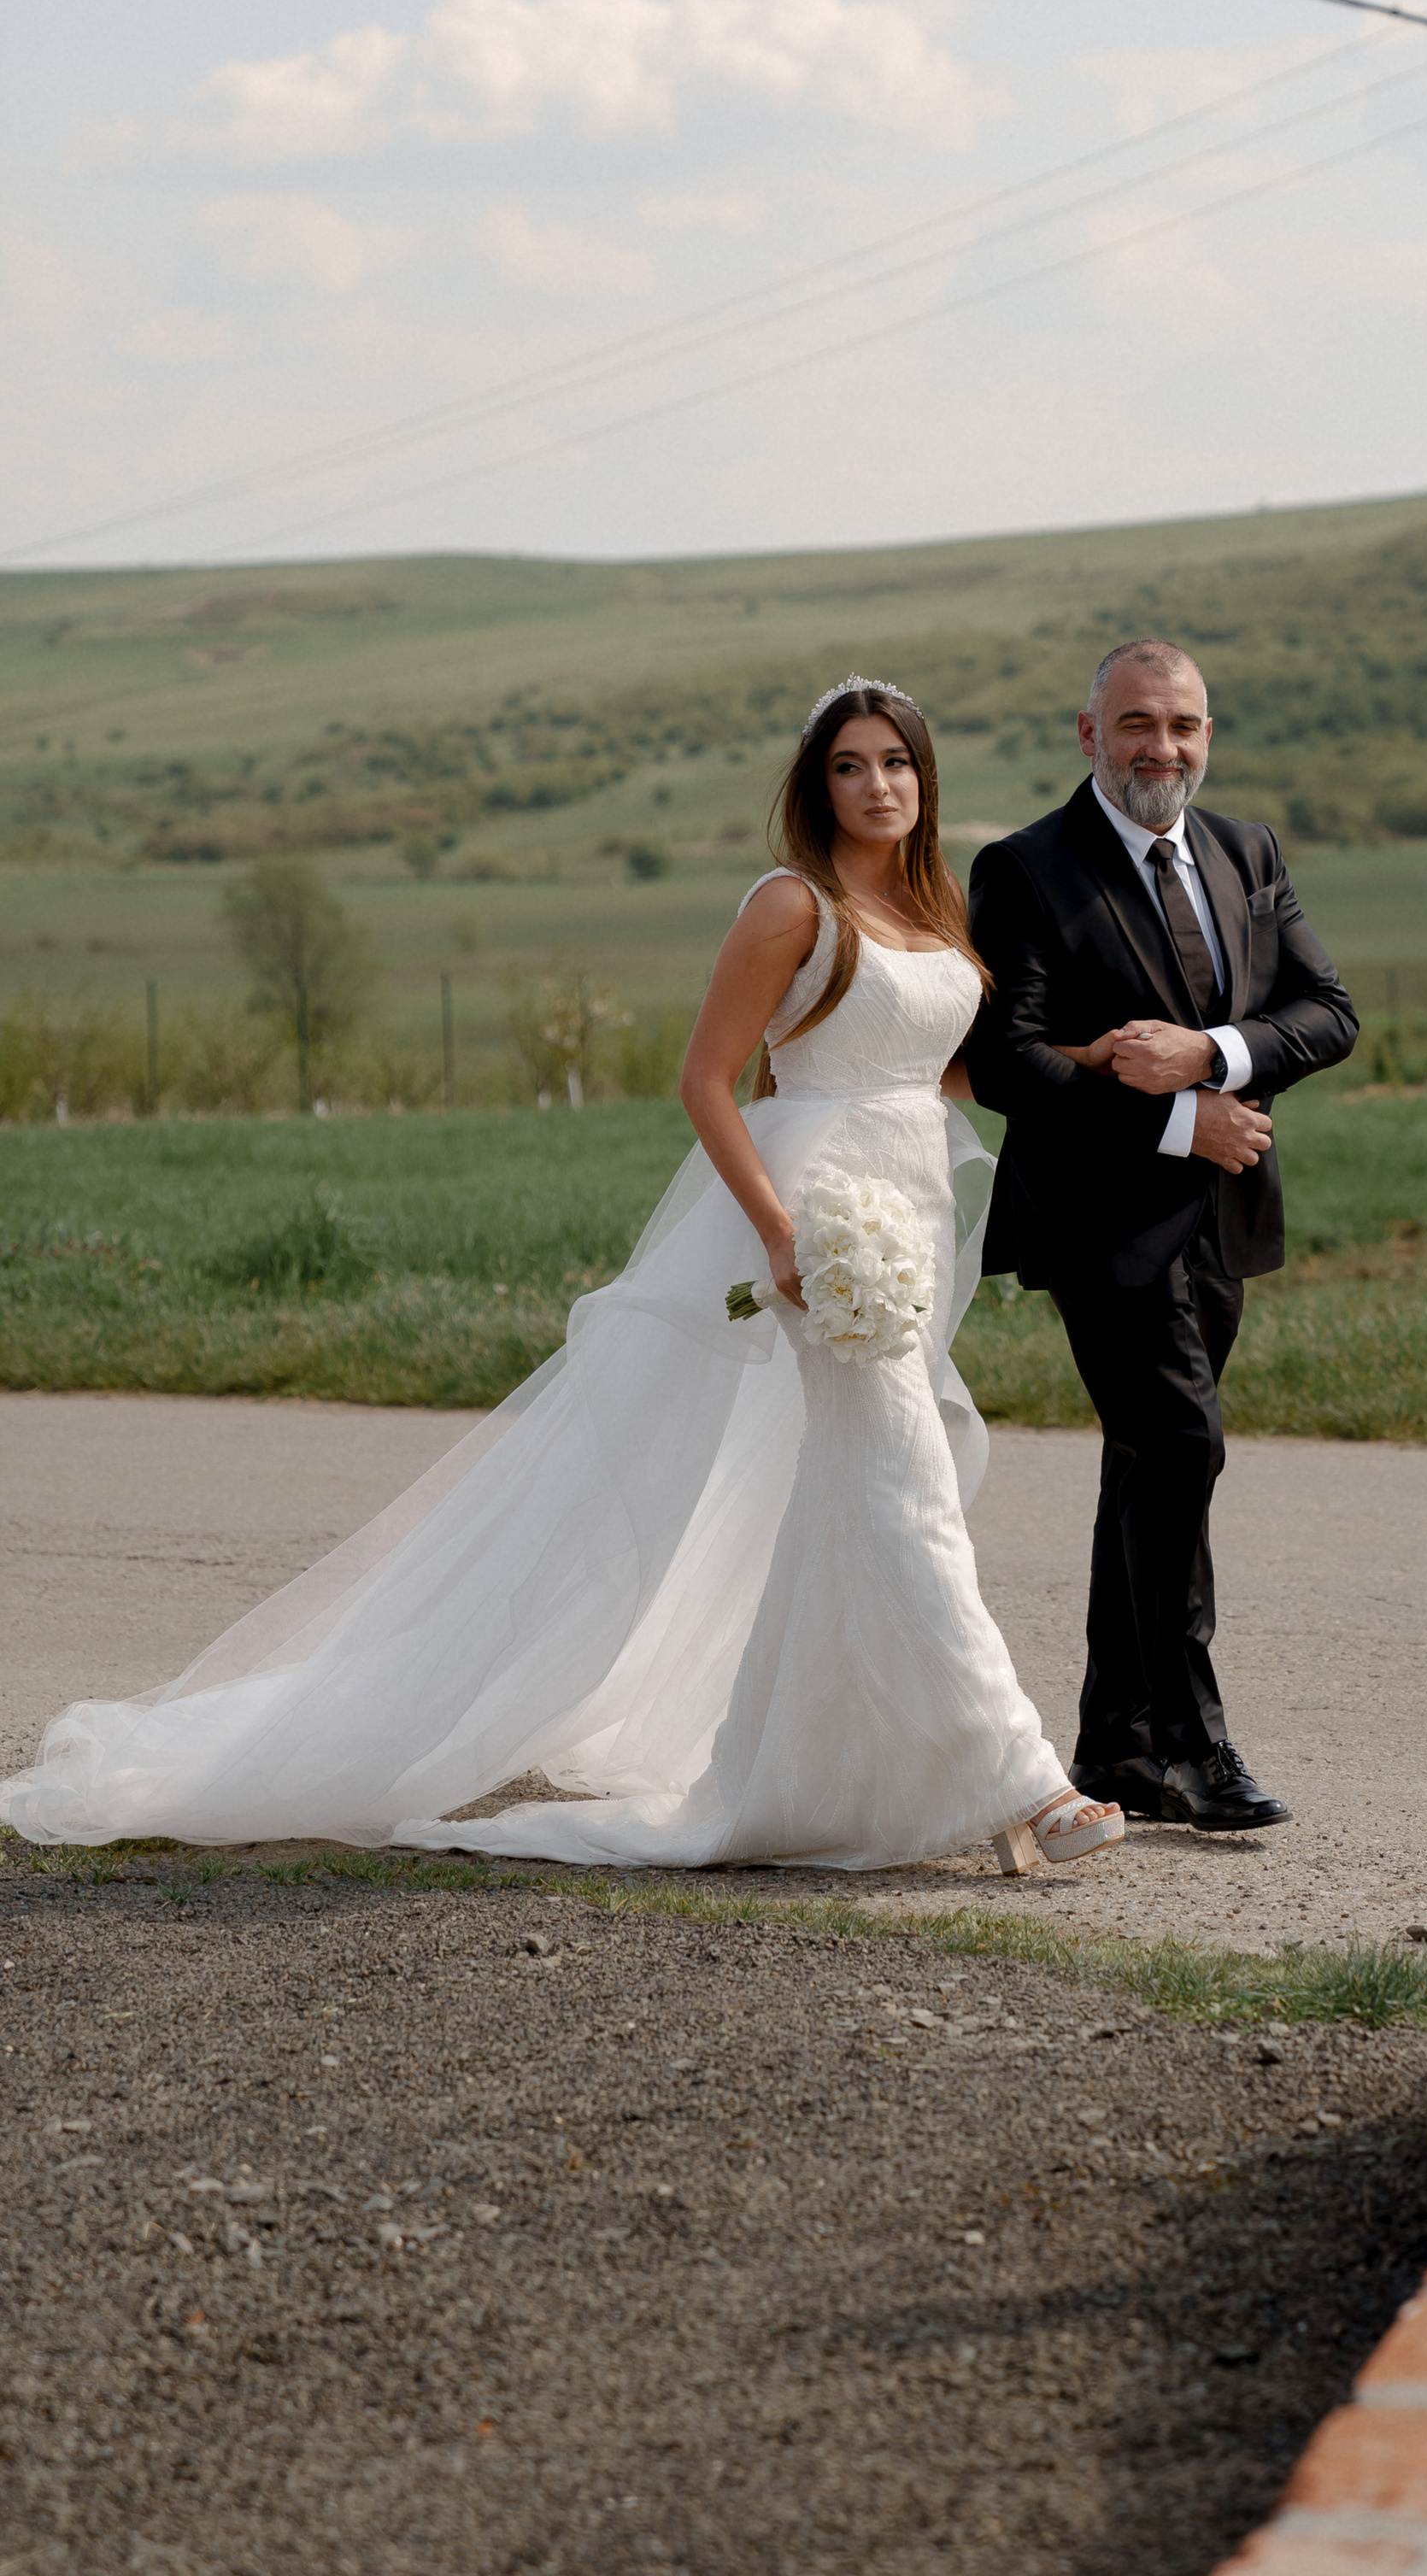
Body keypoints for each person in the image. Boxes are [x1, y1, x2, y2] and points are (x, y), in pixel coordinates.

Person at [0, 683, 1123, 1881]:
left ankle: (828, 1770)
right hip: (826, 1223)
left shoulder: (932, 903)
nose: (878, 785)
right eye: (849, 766)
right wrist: (785, 1237)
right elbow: (707, 1080)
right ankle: (1024, 1778)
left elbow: (935, 1070)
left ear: (924, 778)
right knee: (901, 1477)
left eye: (896, 762)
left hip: (915, 1202)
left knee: (859, 1491)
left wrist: (1083, 1062)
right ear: (817, 786)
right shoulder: (792, 905)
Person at [966, 640, 1357, 1834]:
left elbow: (1328, 1014)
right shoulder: (1026, 869)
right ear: (1089, 734)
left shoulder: (1247, 851)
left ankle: (1115, 1747)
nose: (1163, 748)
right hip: (1097, 1221)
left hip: (1224, 1222)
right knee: (1182, 1445)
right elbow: (1004, 1063)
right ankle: (1195, 1740)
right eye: (1137, 724)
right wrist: (1180, 1121)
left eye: (1183, 725)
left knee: (1147, 1470)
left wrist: (1214, 1057)